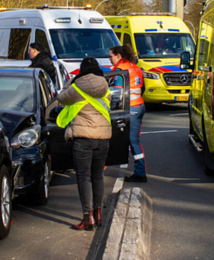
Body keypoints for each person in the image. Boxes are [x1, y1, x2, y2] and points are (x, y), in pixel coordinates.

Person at [56, 57, 111, 231]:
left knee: (84, 177)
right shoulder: (104, 86)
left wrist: (70, 82)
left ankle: (88, 217)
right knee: (98, 176)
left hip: (83, 138)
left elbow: (60, 98)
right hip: (103, 137)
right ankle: (99, 213)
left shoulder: (76, 87)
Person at [109, 44, 146, 183]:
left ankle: (140, 173)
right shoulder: (136, 68)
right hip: (139, 105)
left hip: (131, 108)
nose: (110, 59)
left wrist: (111, 108)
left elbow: (117, 93)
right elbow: (142, 88)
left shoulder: (121, 71)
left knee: (130, 140)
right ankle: (140, 172)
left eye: (111, 56)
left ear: (118, 56)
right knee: (134, 140)